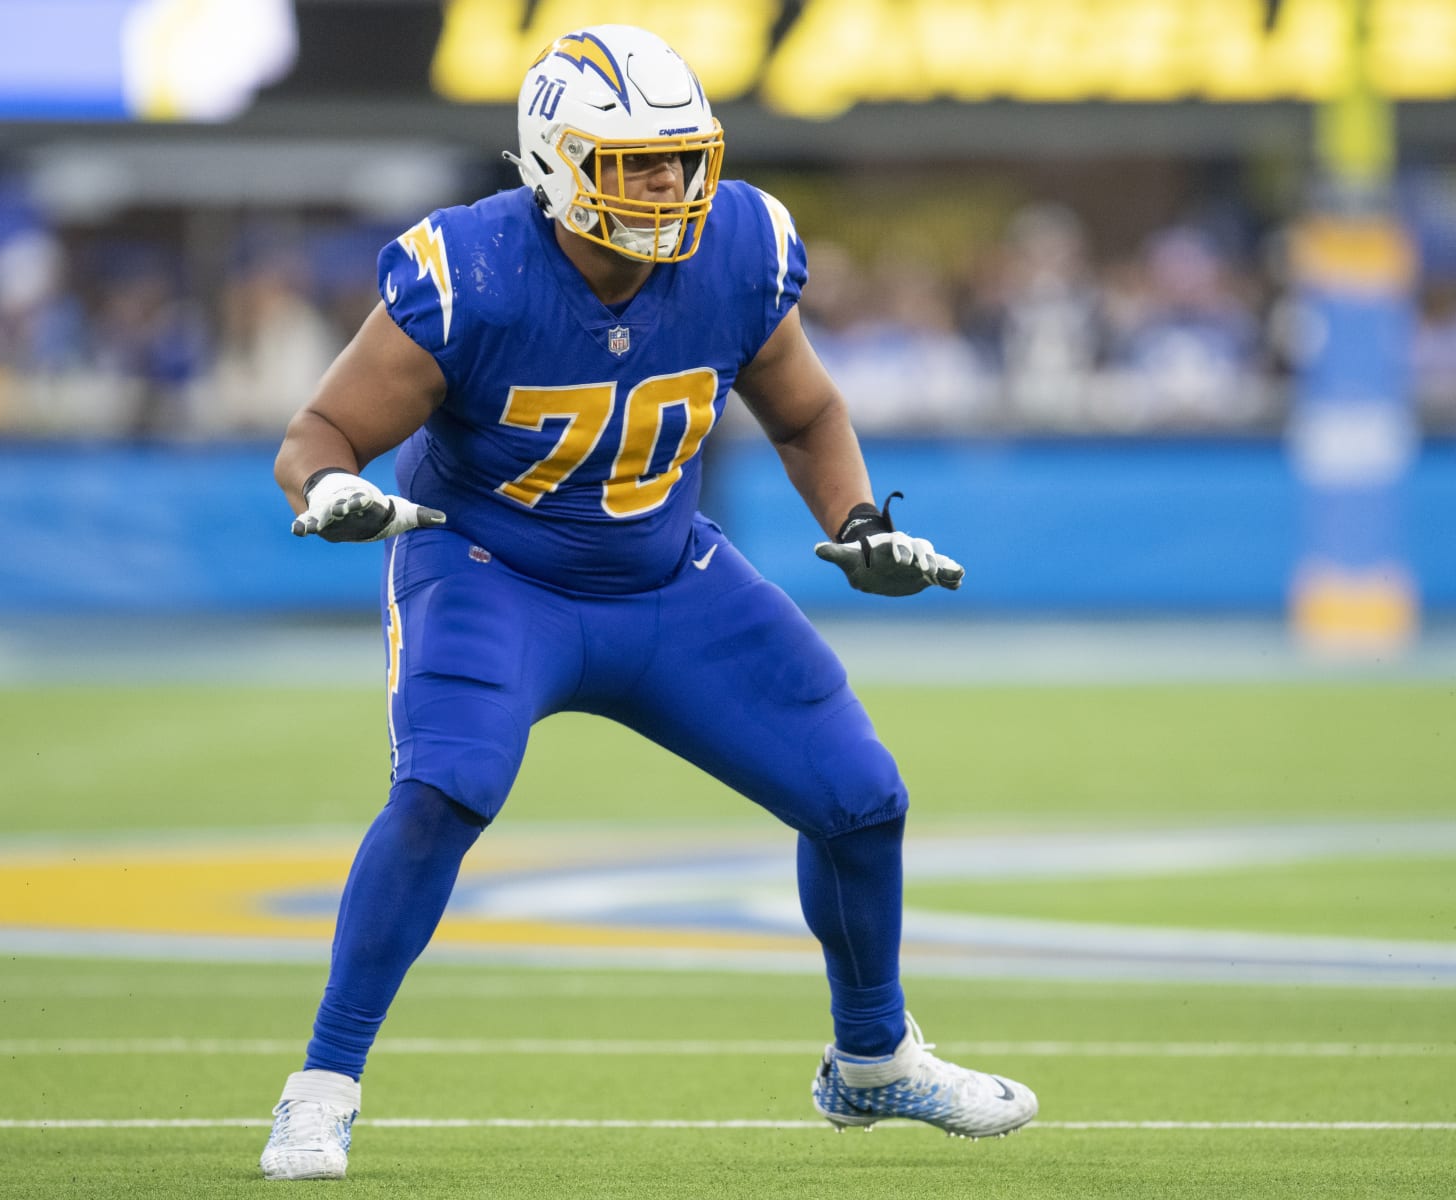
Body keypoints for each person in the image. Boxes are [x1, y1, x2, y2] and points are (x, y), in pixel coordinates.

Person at [259, 25, 1037, 1181]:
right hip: (492, 571)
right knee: (445, 786)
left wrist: (859, 525)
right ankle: (320, 1087)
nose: (666, 185)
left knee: (862, 799)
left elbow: (807, 413)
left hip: (665, 575)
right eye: (632, 161)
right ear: (553, 162)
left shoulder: (737, 248)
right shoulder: (468, 273)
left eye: (679, 158)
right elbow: (317, 435)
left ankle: (873, 1061)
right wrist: (332, 490)